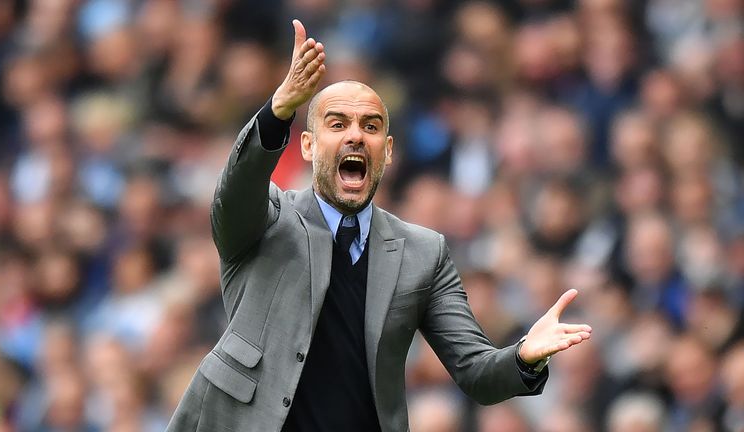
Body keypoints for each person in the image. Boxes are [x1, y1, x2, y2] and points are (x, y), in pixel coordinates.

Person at [166, 19, 592, 432]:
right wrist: (278, 111)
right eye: (337, 124)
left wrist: (525, 356)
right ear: (309, 146)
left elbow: (476, 371)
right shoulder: (267, 218)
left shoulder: (424, 253)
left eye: (370, 127)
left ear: (387, 152)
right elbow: (234, 194)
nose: (356, 136)